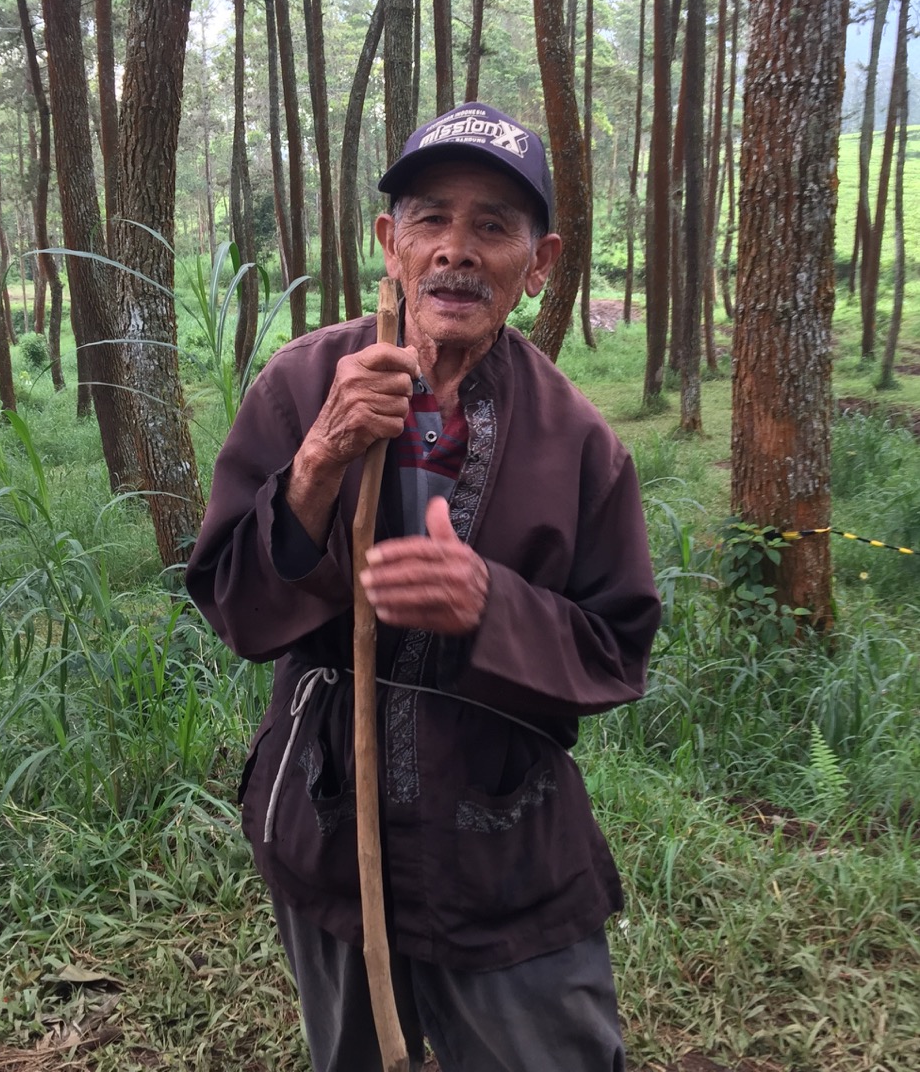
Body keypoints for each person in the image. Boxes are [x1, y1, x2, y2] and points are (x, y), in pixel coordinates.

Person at [186, 101, 661, 1072]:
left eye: (492, 226)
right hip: (326, 828)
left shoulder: (578, 444)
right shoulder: (300, 384)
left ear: (539, 263)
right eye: (430, 219)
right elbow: (233, 606)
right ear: (387, 242)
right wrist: (317, 462)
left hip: (504, 848)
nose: (455, 250)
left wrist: (492, 607)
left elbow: (616, 650)